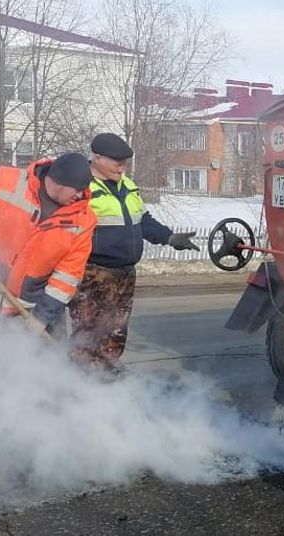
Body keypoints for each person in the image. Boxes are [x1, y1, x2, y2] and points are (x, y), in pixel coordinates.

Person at [68, 133, 199, 373]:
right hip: (93, 274)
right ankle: (81, 383)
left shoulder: (127, 185)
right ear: (97, 158)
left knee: (116, 330)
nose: (122, 169)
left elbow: (143, 221)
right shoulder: (81, 187)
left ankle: (109, 375)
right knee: (88, 332)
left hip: (125, 273)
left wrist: (169, 237)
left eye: (125, 163)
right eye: (117, 163)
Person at [0, 153, 95, 332]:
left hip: (30, 306)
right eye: (77, 189)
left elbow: (67, 276)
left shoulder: (83, 220)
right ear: (57, 180)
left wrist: (42, 317)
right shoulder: (7, 181)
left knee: (38, 358)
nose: (81, 195)